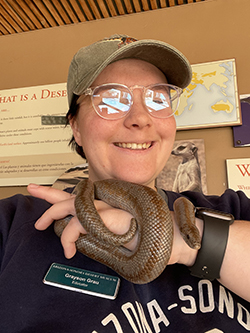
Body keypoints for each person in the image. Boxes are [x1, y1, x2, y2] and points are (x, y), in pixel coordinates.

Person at [1, 34, 250, 333]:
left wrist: (187, 240)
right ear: (76, 128)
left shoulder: (231, 210)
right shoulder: (12, 226)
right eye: (110, 99)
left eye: (157, 98)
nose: (140, 118)